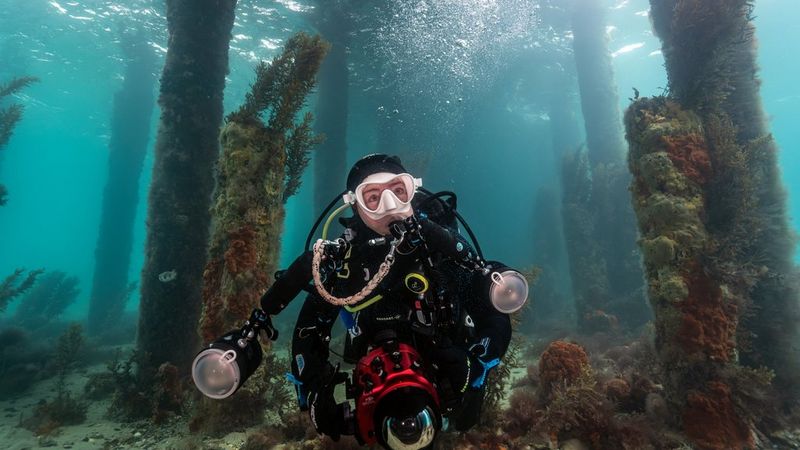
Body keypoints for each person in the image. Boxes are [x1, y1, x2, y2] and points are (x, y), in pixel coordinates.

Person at [259, 153, 519, 448]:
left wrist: (476, 367)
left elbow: (494, 313)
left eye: (398, 191)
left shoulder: (438, 252)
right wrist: (314, 390)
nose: (389, 206)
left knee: (464, 421)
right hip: (376, 382)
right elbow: (309, 329)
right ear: (355, 205)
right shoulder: (346, 264)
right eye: (372, 197)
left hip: (448, 369)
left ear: (413, 192)